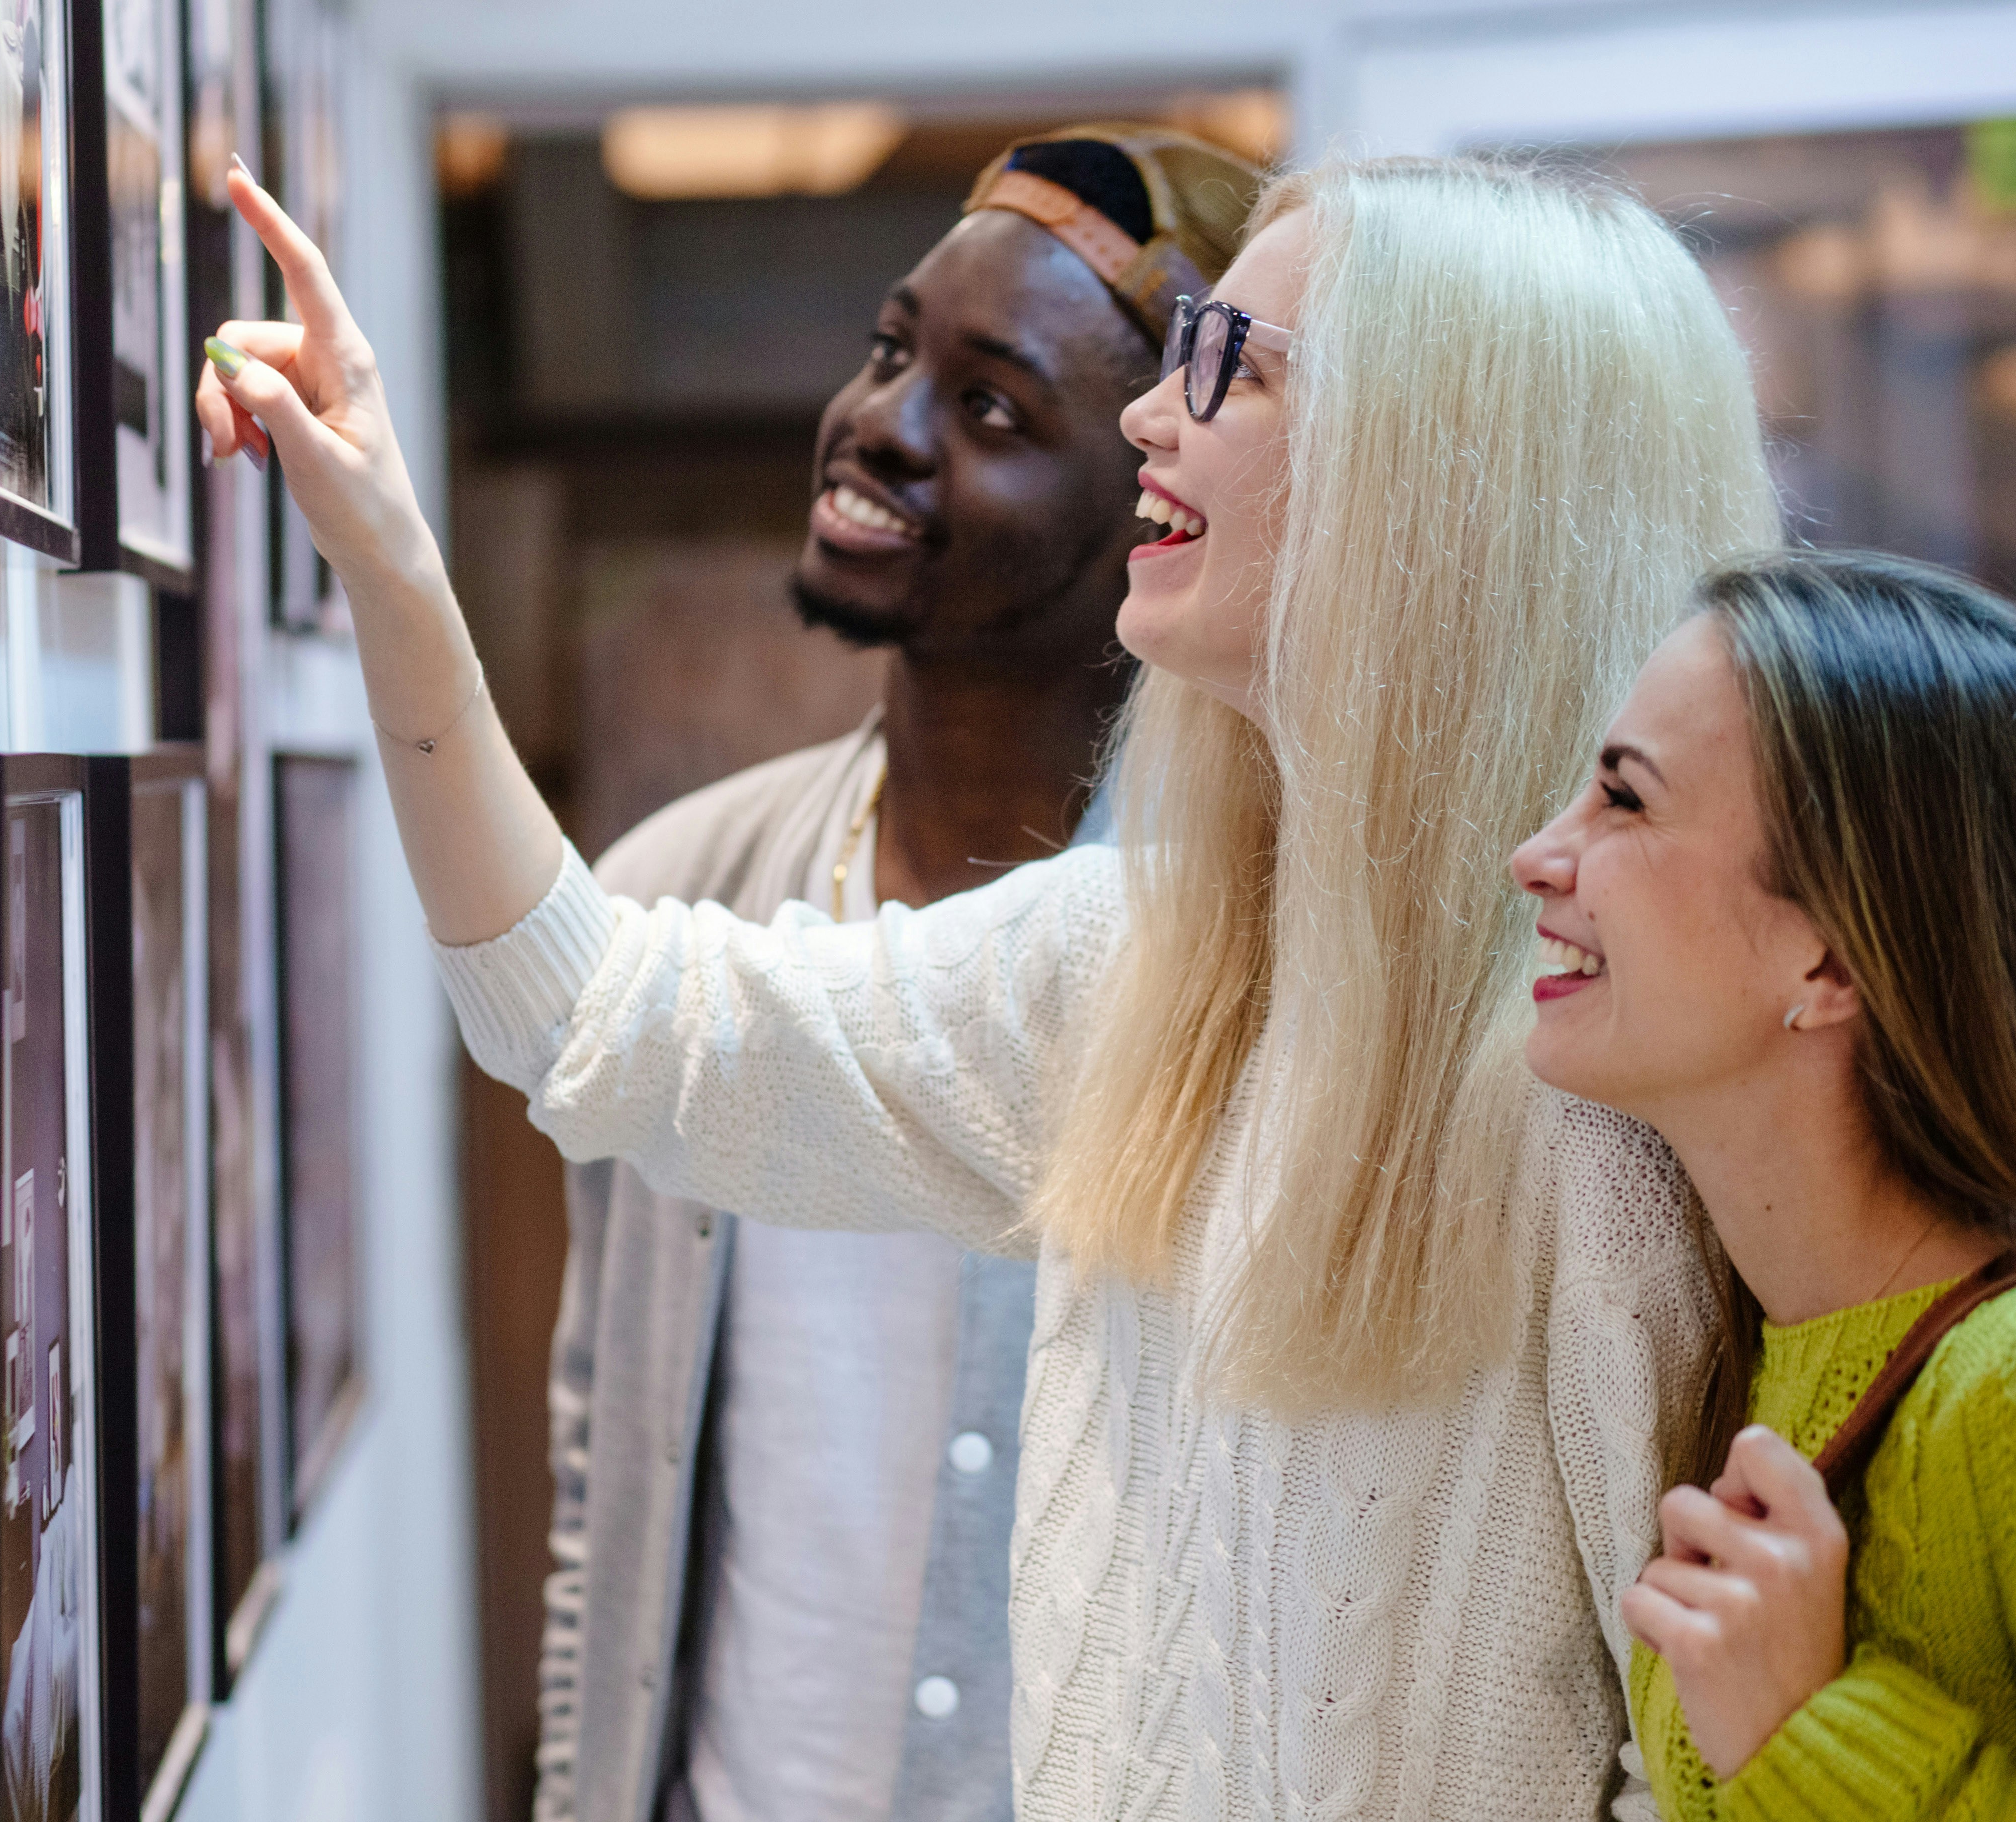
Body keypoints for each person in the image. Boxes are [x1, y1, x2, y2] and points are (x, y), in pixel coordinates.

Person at [197, 151, 1781, 1817]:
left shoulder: (1627, 1116)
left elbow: (1688, 1770)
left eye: (1234, 368)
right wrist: (386, 552)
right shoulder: (1137, 965)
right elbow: (595, 1022)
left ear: (1438, 477)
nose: (1157, 420)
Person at [543, 127, 1258, 1822]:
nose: (880, 423)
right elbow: (610, 1467)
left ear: (1158, 493)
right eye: (889, 351)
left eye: (994, 405)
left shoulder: (1251, 962)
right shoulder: (683, 905)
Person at [1508, 550, 2016, 1819]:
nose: (1538, 856)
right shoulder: (1748, 1344)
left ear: (1829, 958)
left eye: (1623, 801)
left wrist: (1812, 1739)